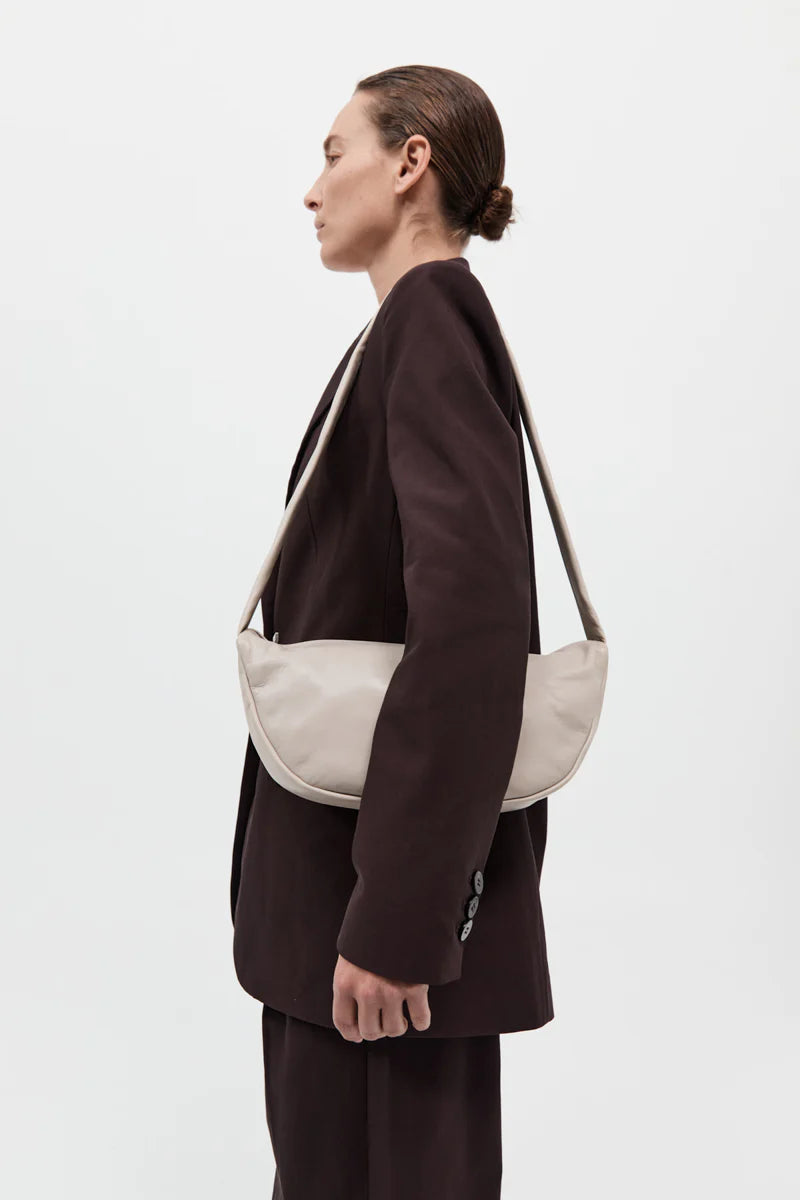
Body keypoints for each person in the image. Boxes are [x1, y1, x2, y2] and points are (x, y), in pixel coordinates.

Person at [230, 64, 553, 1200]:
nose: (311, 189)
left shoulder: (429, 327)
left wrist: (401, 921)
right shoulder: (409, 334)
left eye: (334, 153)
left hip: (374, 947)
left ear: (411, 162)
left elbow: (472, 633)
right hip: (357, 927)